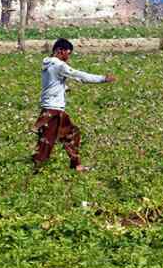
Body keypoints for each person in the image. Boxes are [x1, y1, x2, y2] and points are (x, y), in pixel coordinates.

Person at [33, 38, 116, 173]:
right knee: (46, 143)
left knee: (72, 134)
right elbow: (79, 75)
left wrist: (63, 88)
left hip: (52, 109)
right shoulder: (59, 65)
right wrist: (102, 79)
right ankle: (34, 172)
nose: (68, 57)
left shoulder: (48, 64)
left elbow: (51, 83)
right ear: (60, 51)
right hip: (53, 110)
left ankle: (76, 165)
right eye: (68, 53)